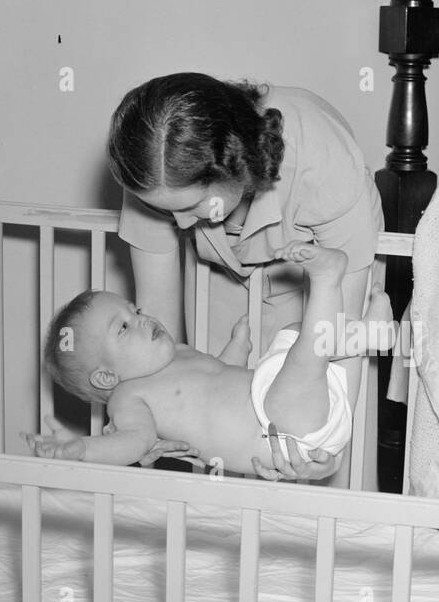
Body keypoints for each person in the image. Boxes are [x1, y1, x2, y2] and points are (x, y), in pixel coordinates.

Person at [107, 73, 384, 480]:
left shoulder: (322, 158)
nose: (180, 225)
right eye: (167, 212)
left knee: (319, 482)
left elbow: (340, 330)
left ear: (235, 166)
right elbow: (159, 338)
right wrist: (154, 424)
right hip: (222, 283)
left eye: (194, 206)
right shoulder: (154, 167)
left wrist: (328, 443)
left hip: (323, 296)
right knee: (227, 459)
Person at [26, 244, 390, 476]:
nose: (142, 318)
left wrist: (236, 349)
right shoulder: (129, 399)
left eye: (134, 310)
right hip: (280, 429)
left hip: (282, 396)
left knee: (295, 333)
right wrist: (81, 449)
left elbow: (218, 379)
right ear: (106, 377)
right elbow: (134, 442)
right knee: (306, 354)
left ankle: (366, 336)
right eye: (123, 327)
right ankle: (326, 281)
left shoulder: (176, 354)